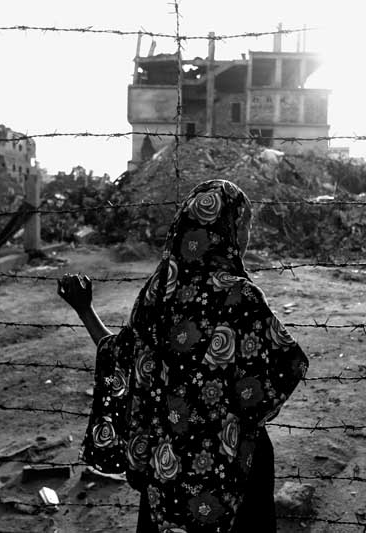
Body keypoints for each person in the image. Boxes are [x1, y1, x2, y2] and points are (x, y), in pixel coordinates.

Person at [58, 179, 308, 532]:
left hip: (167, 467)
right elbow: (284, 371)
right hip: (233, 465)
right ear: (228, 229)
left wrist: (85, 311)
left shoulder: (156, 294)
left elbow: (123, 358)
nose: (248, 233)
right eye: (245, 223)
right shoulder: (241, 297)